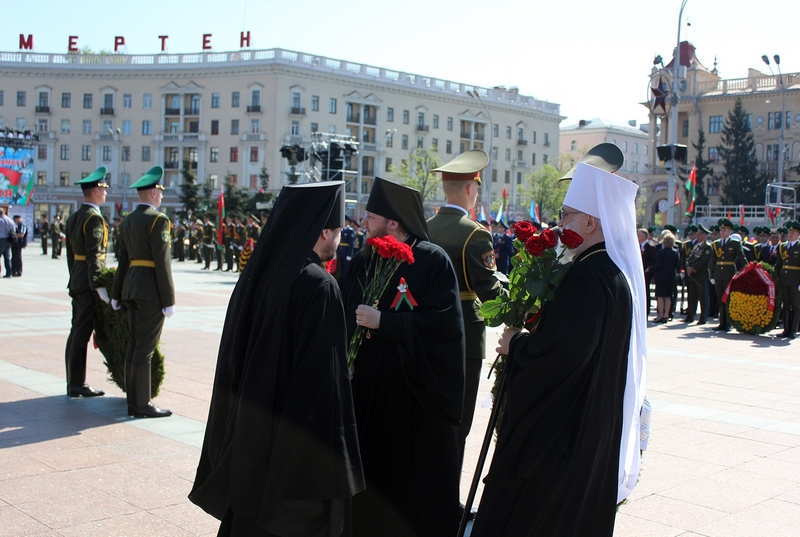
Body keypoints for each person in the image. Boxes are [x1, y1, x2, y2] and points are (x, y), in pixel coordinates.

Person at [471, 162, 647, 537]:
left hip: (563, 436)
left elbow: (561, 356)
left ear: (590, 223)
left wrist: (517, 345)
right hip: (590, 427)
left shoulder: (586, 277)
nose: (558, 223)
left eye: (566, 215)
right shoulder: (610, 273)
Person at [190, 181, 365, 537]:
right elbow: (320, 382)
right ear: (323, 232)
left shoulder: (262, 273)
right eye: (338, 232)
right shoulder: (320, 286)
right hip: (291, 441)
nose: (339, 239)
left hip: (251, 425)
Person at [339, 177, 465, 537]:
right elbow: (345, 311)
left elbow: (443, 328)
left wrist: (386, 322)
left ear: (393, 222)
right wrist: (345, 357)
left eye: (371, 216)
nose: (363, 221)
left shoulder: (432, 260)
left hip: (409, 396)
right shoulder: (364, 259)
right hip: (365, 391)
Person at [426, 149, 507, 516]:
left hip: (425, 332)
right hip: (463, 339)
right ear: (471, 189)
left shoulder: (424, 227)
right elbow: (489, 292)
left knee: (429, 418)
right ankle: (445, 502)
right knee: (457, 424)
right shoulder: (475, 234)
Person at [110, 166, 174, 418]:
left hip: (130, 289)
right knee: (145, 349)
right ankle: (142, 404)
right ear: (153, 193)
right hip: (150, 292)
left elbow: (122, 260)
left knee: (135, 346)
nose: (161, 196)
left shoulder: (127, 220)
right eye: (160, 191)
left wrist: (116, 293)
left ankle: (133, 402)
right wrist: (168, 299)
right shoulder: (158, 220)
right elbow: (162, 263)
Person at [64, 167, 110, 397]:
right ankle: (76, 384)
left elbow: (70, 255)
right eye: (104, 188)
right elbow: (94, 255)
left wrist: (75, 275)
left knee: (76, 330)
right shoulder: (93, 218)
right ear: (96, 191)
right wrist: (98, 285)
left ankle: (74, 382)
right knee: (81, 332)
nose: (105, 192)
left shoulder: (74, 216)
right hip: (88, 283)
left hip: (78, 278)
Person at [710, 218, 747, 332]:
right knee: (721, 299)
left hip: (729, 273)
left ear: (730, 231)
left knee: (728, 299)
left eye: (725, 230)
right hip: (718, 274)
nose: (722, 232)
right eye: (721, 230)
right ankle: (722, 322)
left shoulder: (735, 243)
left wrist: (747, 270)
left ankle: (728, 323)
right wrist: (712, 276)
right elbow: (712, 261)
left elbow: (741, 258)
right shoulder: (716, 244)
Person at [775, 220, 800, 339]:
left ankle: (793, 330)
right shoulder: (783, 247)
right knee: (785, 305)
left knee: (795, 305)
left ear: (798, 234)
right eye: (789, 232)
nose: (790, 234)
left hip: (795, 280)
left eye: (793, 232)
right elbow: (779, 264)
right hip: (784, 279)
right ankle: (786, 329)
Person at [685, 224, 713, 325]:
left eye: (699, 234)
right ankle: (690, 316)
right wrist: (688, 266)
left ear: (704, 236)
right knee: (692, 296)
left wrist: (692, 269)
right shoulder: (696, 246)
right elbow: (690, 257)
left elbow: (703, 261)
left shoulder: (707, 247)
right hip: (693, 275)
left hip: (701, 275)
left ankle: (703, 318)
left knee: (703, 297)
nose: (697, 236)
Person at [650, 232, 681, 323]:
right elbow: (677, 264)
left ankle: (660, 315)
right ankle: (666, 315)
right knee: (668, 297)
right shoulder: (675, 252)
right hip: (671, 276)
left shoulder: (661, 252)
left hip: (661, 276)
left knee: (660, 297)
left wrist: (650, 269)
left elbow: (658, 264)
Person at [639, 228, 657, 318]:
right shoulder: (636, 246)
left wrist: (645, 266)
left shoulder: (650, 247)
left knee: (645, 290)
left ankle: (646, 311)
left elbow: (653, 261)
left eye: (639, 234)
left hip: (646, 273)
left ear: (643, 236)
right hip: (638, 273)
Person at [0, 208, 15, 278]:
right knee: (7, 257)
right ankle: (9, 273)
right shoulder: (10, 220)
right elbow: (14, 230)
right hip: (9, 240)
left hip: (1, 239)